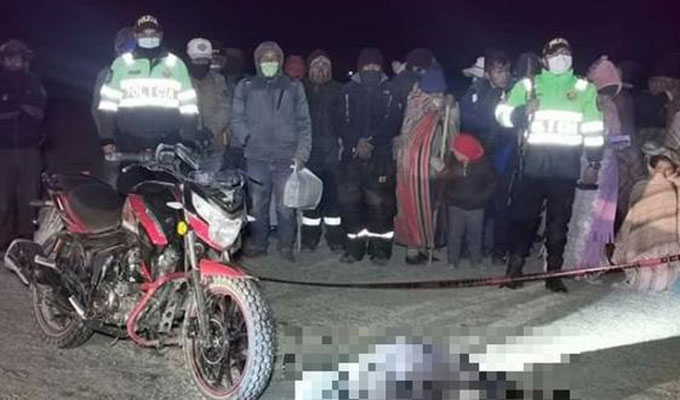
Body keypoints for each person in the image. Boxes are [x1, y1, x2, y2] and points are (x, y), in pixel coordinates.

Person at [495, 38, 605, 292]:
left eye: (566, 52)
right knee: (523, 220)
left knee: (558, 225)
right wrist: (521, 112)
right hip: (531, 167)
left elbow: (594, 128)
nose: (561, 57)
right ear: (544, 59)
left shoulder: (584, 88)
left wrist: (594, 161)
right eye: (555, 54)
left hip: (565, 171)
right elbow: (500, 115)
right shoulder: (528, 85)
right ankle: (514, 271)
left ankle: (554, 274)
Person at [97, 15, 199, 192]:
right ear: (136, 36)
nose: (149, 37)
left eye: (153, 33)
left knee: (168, 195)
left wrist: (188, 140)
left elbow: (189, 106)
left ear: (160, 35)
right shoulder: (121, 64)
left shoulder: (176, 65)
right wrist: (107, 138)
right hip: (130, 142)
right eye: (144, 33)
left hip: (168, 142)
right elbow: (107, 105)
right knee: (130, 193)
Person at [230, 41, 312, 262]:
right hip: (256, 157)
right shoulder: (246, 85)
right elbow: (236, 118)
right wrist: (247, 138)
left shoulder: (293, 86)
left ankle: (285, 246)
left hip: (286, 157)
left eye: (273, 58)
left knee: (286, 207)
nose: (269, 62)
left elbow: (304, 123)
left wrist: (301, 154)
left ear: (280, 61)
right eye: (265, 59)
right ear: (258, 61)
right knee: (258, 206)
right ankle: (259, 244)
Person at [335, 48, 404, 265]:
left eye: (375, 65)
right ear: (360, 67)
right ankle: (354, 249)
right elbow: (339, 120)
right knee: (350, 204)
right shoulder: (347, 91)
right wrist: (355, 142)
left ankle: (380, 251)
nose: (371, 69)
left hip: (380, 157)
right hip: (352, 156)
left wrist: (371, 142)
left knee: (380, 205)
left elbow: (393, 121)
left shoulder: (391, 91)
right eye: (367, 65)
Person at [394, 65, 459, 264]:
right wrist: (429, 159)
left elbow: (452, 132)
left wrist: (451, 110)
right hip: (414, 168)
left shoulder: (444, 106)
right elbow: (409, 142)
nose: (437, 97)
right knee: (412, 207)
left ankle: (424, 245)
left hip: (433, 169)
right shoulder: (416, 106)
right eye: (433, 93)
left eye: (440, 92)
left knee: (430, 208)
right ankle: (412, 250)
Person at [564, 56, 623, 270]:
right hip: (593, 164)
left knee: (586, 213)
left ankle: (579, 261)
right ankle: (579, 263)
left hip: (591, 164)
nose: (606, 97)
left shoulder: (587, 105)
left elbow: (616, 138)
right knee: (585, 213)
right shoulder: (599, 107)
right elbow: (616, 140)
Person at [459, 51, 514, 262]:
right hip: (480, 156)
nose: (504, 75)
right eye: (499, 71)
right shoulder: (475, 93)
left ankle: (498, 250)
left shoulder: (514, 93)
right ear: (488, 74)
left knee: (502, 205)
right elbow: (468, 122)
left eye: (506, 71)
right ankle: (472, 247)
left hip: (504, 155)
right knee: (476, 203)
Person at [0, 40, 47, 253]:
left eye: (17, 56)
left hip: (30, 149)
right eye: (9, 57)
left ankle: (26, 239)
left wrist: (13, 104)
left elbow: (39, 111)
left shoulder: (34, 81)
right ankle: (3, 241)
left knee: (29, 197)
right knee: (3, 199)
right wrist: (18, 106)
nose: (14, 61)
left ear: (25, 59)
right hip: (3, 149)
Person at [614, 152, 680, 291]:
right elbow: (631, 219)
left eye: (667, 169)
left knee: (663, 279)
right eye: (660, 169)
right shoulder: (641, 187)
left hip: (667, 252)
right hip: (645, 251)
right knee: (648, 279)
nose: (663, 173)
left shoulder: (674, 187)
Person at [300, 50, 345, 253]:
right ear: (309, 69)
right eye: (316, 65)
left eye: (325, 65)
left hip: (332, 154)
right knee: (311, 201)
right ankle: (309, 239)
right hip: (309, 154)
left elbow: (345, 121)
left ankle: (335, 239)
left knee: (333, 200)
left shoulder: (339, 90)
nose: (320, 69)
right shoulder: (301, 89)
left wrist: (343, 144)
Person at [441, 134, 496, 268]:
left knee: (475, 235)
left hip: (476, 207)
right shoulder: (453, 163)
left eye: (457, 151)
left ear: (467, 152)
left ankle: (475, 260)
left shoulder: (484, 165)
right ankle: (452, 260)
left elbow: (492, 184)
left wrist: (483, 198)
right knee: (454, 235)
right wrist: (449, 196)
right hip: (455, 206)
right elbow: (445, 182)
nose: (454, 153)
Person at [91, 27, 136, 187]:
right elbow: (98, 109)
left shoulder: (149, 73)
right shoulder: (108, 73)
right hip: (117, 139)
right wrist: (107, 138)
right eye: (125, 45)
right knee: (115, 181)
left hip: (144, 139)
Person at [186, 38, 229, 155]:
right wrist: (188, 131)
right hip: (186, 146)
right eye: (197, 60)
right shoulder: (182, 79)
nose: (201, 64)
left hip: (214, 145)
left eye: (204, 61)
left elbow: (224, 108)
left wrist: (210, 130)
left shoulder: (218, 80)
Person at [222, 47, 249, 170]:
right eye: (230, 59)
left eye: (236, 60)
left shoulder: (249, 83)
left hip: (244, 146)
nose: (233, 63)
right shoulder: (218, 81)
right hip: (221, 145)